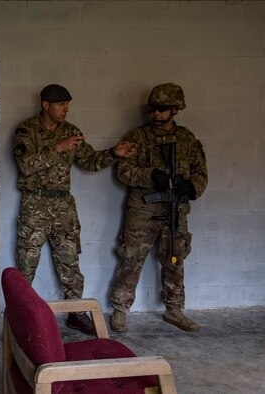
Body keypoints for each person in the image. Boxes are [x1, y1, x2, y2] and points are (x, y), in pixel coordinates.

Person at [13, 84, 134, 336]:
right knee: (26, 264)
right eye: (60, 104)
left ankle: (75, 314)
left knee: (70, 263)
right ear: (45, 105)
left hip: (63, 207)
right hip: (35, 205)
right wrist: (58, 148)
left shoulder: (71, 131)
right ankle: (20, 316)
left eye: (68, 104)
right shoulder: (26, 130)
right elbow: (25, 165)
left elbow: (89, 161)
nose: (66, 109)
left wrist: (114, 152)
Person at [109, 83, 208, 332]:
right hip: (144, 210)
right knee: (132, 259)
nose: (156, 113)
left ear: (175, 109)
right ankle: (120, 310)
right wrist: (151, 176)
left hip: (175, 211)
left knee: (175, 260)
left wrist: (192, 186)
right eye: (153, 108)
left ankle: (174, 310)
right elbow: (123, 171)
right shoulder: (137, 137)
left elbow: (201, 172)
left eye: (162, 109)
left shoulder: (187, 139)